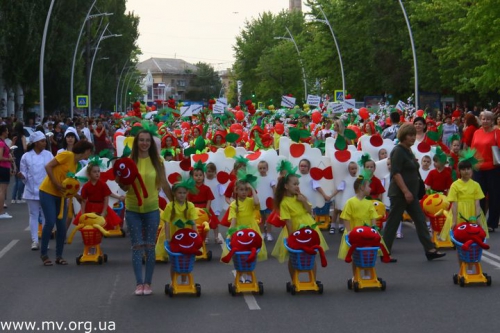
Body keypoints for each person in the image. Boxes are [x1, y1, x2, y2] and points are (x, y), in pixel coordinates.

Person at [116, 129, 173, 295]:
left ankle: (148, 283)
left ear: (151, 143)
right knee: (137, 247)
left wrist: (175, 203)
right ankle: (138, 283)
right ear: (136, 142)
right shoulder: (128, 161)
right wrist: (122, 183)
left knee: (149, 247)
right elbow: (123, 184)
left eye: (147, 140)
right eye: (141, 140)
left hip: (152, 209)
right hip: (133, 209)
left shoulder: (158, 162)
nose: (144, 143)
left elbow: (164, 183)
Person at [382, 123, 446, 261]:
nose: (412, 137)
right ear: (403, 136)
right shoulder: (398, 151)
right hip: (400, 193)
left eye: (413, 135)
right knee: (393, 222)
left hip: (411, 193)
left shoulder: (408, 150)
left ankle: (430, 249)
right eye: (410, 135)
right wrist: (405, 191)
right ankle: (384, 251)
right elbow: (396, 173)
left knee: (420, 219)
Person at [39, 140, 94, 266]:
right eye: (89, 151)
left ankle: (59, 256)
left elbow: (68, 185)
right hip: (47, 191)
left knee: (62, 226)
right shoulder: (67, 155)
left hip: (61, 195)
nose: (89, 154)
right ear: (85, 150)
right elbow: (48, 166)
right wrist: (56, 183)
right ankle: (44, 254)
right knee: (50, 222)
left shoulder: (75, 165)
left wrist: (77, 196)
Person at [271, 172, 328, 280]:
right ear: (286, 186)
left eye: (298, 184)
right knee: (293, 257)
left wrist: (303, 201)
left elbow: (308, 210)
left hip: (308, 226)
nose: (297, 186)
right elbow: (287, 221)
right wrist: (291, 237)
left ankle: (313, 279)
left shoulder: (300, 196)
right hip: (295, 227)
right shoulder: (284, 203)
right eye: (294, 184)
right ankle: (294, 280)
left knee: (311, 254)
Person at [337, 175, 382, 278]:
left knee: (369, 253)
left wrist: (374, 228)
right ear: (362, 187)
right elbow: (346, 217)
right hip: (355, 231)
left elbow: (373, 216)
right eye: (368, 186)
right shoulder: (350, 202)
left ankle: (367, 274)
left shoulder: (369, 203)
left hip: (367, 231)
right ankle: (356, 275)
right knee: (356, 254)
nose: (370, 188)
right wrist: (349, 231)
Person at [439, 156, 487, 242]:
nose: (466, 171)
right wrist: (454, 221)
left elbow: (477, 203)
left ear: (471, 170)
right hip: (459, 212)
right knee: (460, 237)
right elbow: (454, 203)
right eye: (463, 169)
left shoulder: (476, 185)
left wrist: (478, 219)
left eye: (468, 169)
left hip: (472, 212)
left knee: (473, 236)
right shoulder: (455, 185)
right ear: (459, 171)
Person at [19, 132, 53, 250]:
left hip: (46, 190)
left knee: (45, 216)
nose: (44, 143)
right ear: (35, 143)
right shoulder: (26, 156)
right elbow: (24, 172)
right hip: (31, 189)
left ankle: (45, 241)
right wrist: (21, 176)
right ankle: (34, 240)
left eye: (45, 141)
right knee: (33, 215)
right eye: (42, 141)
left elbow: (53, 170)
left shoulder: (48, 155)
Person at [223, 179, 267, 265]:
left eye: (246, 190)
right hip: (239, 230)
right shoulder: (233, 204)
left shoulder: (250, 201)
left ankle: (248, 276)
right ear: (236, 190)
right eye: (241, 190)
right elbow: (233, 221)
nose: (244, 192)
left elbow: (257, 202)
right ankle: (243, 273)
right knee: (241, 252)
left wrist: (252, 188)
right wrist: (230, 235)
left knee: (251, 252)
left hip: (251, 228)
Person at [470, 111, 500, 232]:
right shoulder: (477, 132)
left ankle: (492, 223)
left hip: (493, 168)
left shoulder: (497, 133)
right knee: (479, 196)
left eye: (488, 119)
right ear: (480, 120)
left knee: (494, 196)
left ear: (492, 120)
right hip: (478, 169)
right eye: (483, 119)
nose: (485, 121)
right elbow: (472, 149)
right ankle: (480, 221)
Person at [73, 162, 123, 229]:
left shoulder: (103, 184)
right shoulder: (86, 186)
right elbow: (84, 201)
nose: (97, 173)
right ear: (89, 174)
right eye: (94, 172)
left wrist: (104, 211)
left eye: (98, 171)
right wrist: (83, 213)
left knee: (102, 225)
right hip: (90, 207)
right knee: (90, 225)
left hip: (101, 206)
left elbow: (106, 197)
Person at [187, 163, 221, 244]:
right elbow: (188, 201)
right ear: (192, 177)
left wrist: (207, 210)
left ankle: (216, 237)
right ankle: (204, 237)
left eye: (200, 175)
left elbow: (209, 200)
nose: (198, 177)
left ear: (203, 176)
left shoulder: (206, 188)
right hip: (194, 208)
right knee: (198, 224)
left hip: (205, 207)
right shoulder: (191, 189)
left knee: (214, 222)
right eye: (196, 175)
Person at [256, 160, 276, 241]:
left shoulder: (270, 178)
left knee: (268, 219)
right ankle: (262, 233)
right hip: (260, 202)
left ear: (267, 168)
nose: (262, 170)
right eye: (260, 168)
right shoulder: (256, 179)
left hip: (268, 202)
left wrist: (275, 199)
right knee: (261, 219)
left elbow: (274, 188)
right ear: (258, 169)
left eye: (264, 168)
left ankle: (269, 233)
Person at [11, 122, 27, 204]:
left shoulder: (14, 137)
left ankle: (13, 198)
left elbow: (11, 147)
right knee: (21, 177)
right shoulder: (22, 136)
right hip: (21, 157)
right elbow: (24, 147)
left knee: (16, 179)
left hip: (14, 158)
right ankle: (19, 197)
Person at [0, 125, 13, 219]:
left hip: (4, 167)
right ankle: (1, 212)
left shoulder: (3, 142)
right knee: (2, 191)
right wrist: (9, 159)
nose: (8, 132)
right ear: (3, 132)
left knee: (2, 190)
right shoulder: (1, 143)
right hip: (3, 167)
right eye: (7, 131)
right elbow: (0, 157)